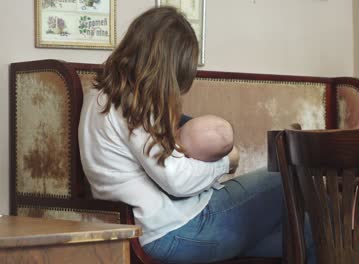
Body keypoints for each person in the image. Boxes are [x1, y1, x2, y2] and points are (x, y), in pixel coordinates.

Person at [78, 6, 315, 264]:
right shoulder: (131, 104)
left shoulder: (98, 97)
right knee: (289, 178)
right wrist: (227, 163)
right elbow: (177, 180)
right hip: (173, 232)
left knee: (298, 233)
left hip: (153, 230)